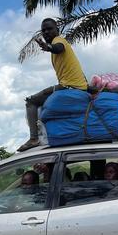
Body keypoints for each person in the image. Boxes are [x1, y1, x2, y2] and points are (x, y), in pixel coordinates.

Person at [17, 18, 88, 152]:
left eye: (49, 29)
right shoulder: (63, 47)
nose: (46, 32)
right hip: (76, 86)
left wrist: (48, 47)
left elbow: (58, 48)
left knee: (31, 102)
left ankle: (34, 138)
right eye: (43, 30)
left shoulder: (59, 40)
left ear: (57, 30)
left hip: (69, 86)